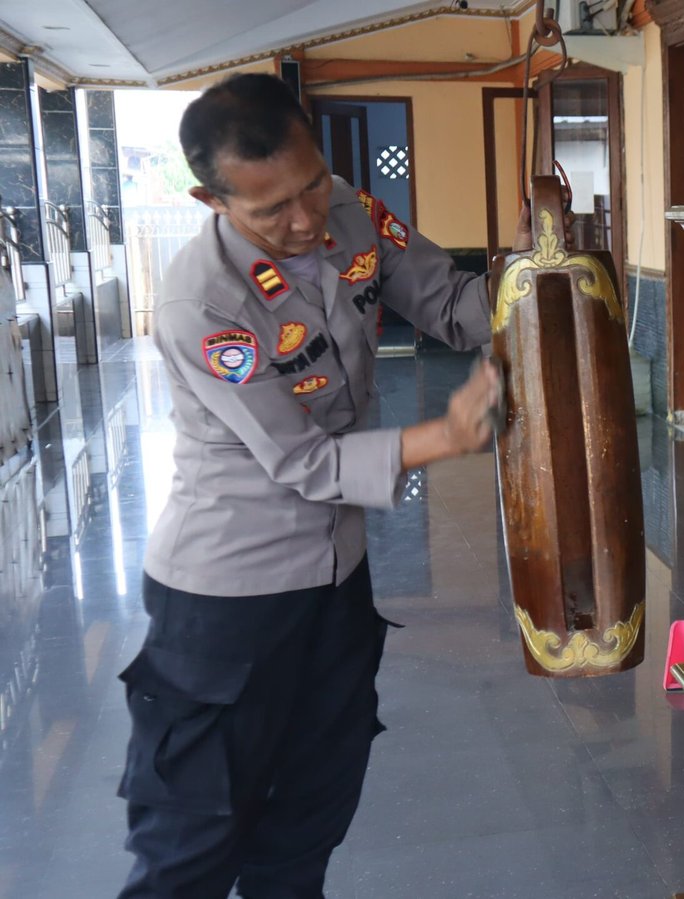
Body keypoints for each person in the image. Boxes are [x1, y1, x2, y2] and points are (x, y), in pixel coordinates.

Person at [116, 73, 529, 898]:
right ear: (211, 199)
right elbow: (303, 462)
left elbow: (453, 304)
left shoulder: (350, 211)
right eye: (272, 209)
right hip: (228, 600)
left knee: (311, 812)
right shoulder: (204, 301)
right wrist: (446, 436)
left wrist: (530, 275)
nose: (306, 219)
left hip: (336, 578)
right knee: (192, 842)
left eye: (310, 184)